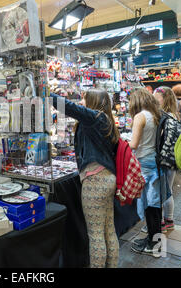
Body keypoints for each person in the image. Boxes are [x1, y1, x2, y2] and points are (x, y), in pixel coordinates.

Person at [50, 88, 120, 268]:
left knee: (95, 233)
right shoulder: (105, 120)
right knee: (108, 229)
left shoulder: (94, 118)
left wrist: (44, 92)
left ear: (94, 101)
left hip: (95, 179)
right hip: (107, 178)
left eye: (85, 99)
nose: (82, 102)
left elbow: (68, 106)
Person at [128, 88, 171, 256]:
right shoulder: (154, 115)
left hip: (144, 165)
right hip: (154, 162)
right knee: (154, 205)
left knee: (149, 205)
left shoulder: (140, 116)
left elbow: (134, 144)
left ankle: (154, 243)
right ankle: (153, 239)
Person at [153, 86, 180, 233]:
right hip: (173, 159)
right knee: (168, 190)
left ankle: (161, 222)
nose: (155, 100)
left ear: (164, 99)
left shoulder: (164, 117)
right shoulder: (174, 116)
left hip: (164, 159)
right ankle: (169, 220)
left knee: (162, 191)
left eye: (157, 97)